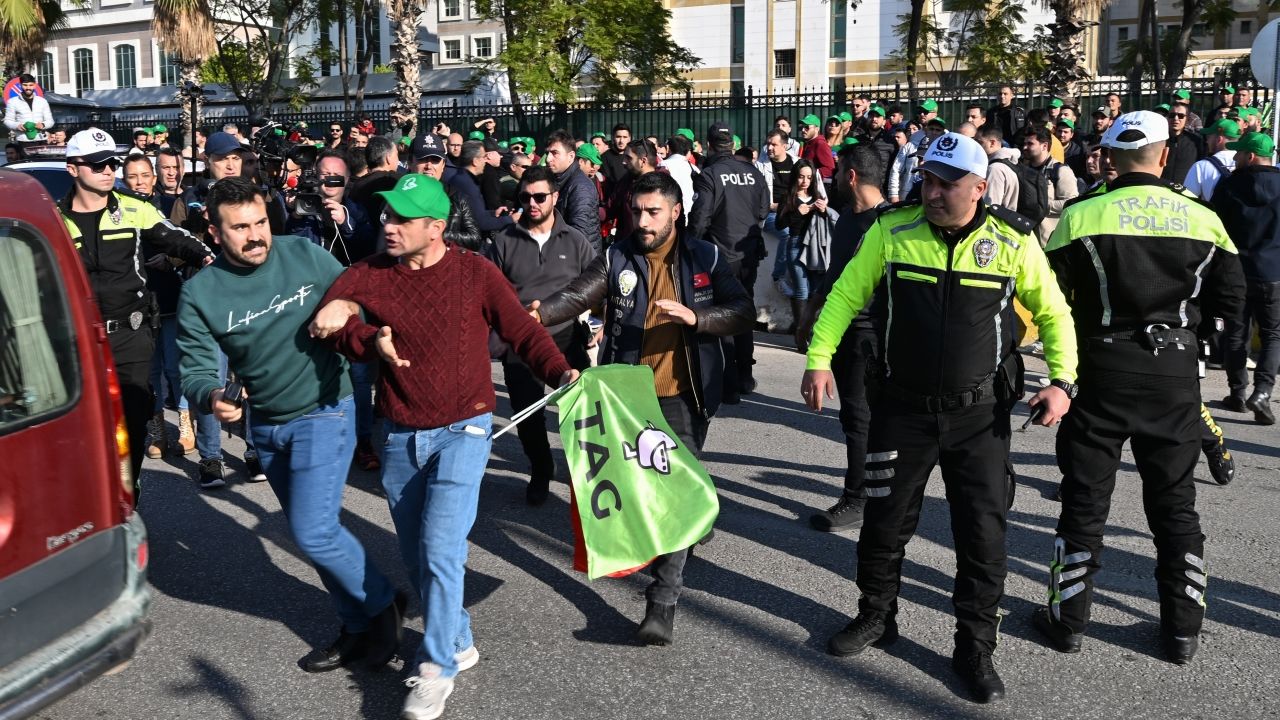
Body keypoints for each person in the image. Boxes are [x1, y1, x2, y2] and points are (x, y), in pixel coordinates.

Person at [801, 132, 1077, 704]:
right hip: (901, 408)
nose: (931, 191)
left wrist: (1061, 382)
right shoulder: (892, 229)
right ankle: (877, 616)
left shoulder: (1012, 240)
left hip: (979, 417)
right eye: (926, 178)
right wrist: (818, 359)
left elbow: (1054, 313)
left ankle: (973, 646)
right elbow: (845, 297)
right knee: (883, 523)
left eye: (946, 183)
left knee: (982, 535)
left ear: (979, 188)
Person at [307, 173, 576, 720]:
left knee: (439, 548)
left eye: (403, 218)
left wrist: (559, 371)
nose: (389, 225)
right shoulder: (370, 274)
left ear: (436, 227)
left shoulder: (475, 272)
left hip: (466, 426)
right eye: (386, 215)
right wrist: (359, 335)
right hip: (400, 430)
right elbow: (330, 322)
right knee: (416, 554)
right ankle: (458, 640)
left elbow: (522, 332)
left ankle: (435, 670)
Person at [1034, 110, 1245, 667]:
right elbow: (1232, 300)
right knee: (1175, 506)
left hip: (1099, 368)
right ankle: (1183, 631)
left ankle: (1067, 621)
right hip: (1173, 371)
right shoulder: (1202, 217)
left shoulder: (1081, 215)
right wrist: (1203, 345)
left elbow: (1048, 299)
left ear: (1107, 155)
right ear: (1164, 151)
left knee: (1084, 501)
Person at [175, 175, 404, 673]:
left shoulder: (305, 255)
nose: (255, 234)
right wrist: (212, 396)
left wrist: (346, 303)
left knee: (314, 529)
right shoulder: (201, 293)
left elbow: (362, 291)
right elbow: (192, 368)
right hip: (266, 424)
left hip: (326, 406)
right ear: (215, 232)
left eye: (260, 221)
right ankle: (355, 625)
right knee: (314, 534)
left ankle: (384, 603)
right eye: (240, 227)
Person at [530, 170, 754, 646]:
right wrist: (538, 313)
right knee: (642, 489)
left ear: (676, 212)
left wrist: (697, 317)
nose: (643, 221)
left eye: (654, 212)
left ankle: (662, 601)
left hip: (686, 395)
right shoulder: (616, 256)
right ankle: (690, 524)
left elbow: (741, 310)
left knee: (672, 496)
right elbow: (577, 294)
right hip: (629, 400)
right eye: (637, 211)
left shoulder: (706, 256)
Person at [59, 128, 213, 498]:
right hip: (78, 339)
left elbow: (180, 239)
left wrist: (212, 258)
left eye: (110, 163)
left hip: (132, 333)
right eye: (96, 165)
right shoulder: (54, 219)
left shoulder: (135, 207)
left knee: (133, 417)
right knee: (85, 425)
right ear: (72, 169)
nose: (107, 171)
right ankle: (96, 491)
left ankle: (129, 489)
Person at [486, 166, 595, 504]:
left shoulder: (576, 240)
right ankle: (541, 468)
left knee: (583, 416)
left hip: (567, 339)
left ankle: (587, 476)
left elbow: (597, 286)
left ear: (555, 197)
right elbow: (487, 296)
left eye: (539, 197)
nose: (532, 203)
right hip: (521, 344)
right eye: (525, 197)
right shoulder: (503, 242)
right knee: (528, 417)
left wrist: (599, 324)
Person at [802, 144, 892, 533]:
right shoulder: (846, 220)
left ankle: (859, 499)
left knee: (861, 419)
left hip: (871, 336)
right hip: (842, 332)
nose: (833, 179)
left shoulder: (889, 223)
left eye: (837, 172)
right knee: (856, 419)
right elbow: (833, 277)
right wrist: (808, 316)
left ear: (852, 176)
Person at [687, 121, 770, 401]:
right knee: (744, 313)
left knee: (723, 316)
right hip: (748, 255)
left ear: (709, 145)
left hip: (720, 257)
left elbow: (700, 218)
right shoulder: (753, 172)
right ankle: (745, 376)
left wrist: (689, 247)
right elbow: (761, 211)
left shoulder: (709, 175)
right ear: (732, 145)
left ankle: (729, 383)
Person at [1211, 131, 1280, 426]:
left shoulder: (1229, 184)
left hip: (1236, 271)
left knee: (1236, 333)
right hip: (1273, 272)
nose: (1234, 157)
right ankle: (1262, 391)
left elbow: (1214, 224)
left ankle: (1238, 392)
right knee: (1272, 334)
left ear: (1250, 157)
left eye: (1238, 154)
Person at [774, 159, 829, 350]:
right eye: (801, 177)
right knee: (802, 290)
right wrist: (796, 212)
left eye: (809, 177)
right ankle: (801, 335)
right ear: (795, 177)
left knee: (815, 290)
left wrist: (823, 211)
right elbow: (779, 225)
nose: (805, 181)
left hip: (815, 246)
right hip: (796, 244)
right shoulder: (788, 197)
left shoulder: (817, 195)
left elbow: (826, 221)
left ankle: (810, 332)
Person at [544, 130, 602, 252]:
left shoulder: (581, 187)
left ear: (571, 156)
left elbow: (578, 234)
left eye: (554, 153)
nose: (548, 159)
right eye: (547, 153)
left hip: (577, 262)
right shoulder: (556, 179)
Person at [1021, 126, 1078, 246]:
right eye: (1024, 143)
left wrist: (1041, 205)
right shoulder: (1022, 170)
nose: (1024, 147)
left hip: (1049, 243)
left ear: (1044, 146)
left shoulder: (1061, 171)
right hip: (1025, 240)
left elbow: (1072, 203)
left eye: (1030, 143)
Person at [1183, 118, 1238, 202]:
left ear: (1219, 140)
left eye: (1209, 136)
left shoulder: (1201, 166)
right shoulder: (1246, 166)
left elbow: (1187, 201)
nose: (1207, 141)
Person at [1163, 101, 1205, 185]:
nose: (1176, 118)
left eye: (1181, 116)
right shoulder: (1160, 139)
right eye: (1172, 115)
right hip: (1162, 189)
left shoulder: (1196, 141)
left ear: (1187, 119)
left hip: (1186, 190)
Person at [4, 74, 54, 142]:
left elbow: (50, 121)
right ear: (20, 85)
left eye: (30, 85)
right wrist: (17, 126)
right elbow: (7, 121)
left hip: (41, 139)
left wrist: (43, 125)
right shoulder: (12, 102)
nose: (28, 88)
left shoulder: (42, 101)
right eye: (25, 85)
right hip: (23, 140)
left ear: (34, 85)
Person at [798, 114, 835, 187]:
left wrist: (811, 174)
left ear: (817, 129)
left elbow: (830, 168)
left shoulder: (820, 144)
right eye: (801, 127)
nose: (803, 130)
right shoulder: (806, 143)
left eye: (807, 127)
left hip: (816, 187)